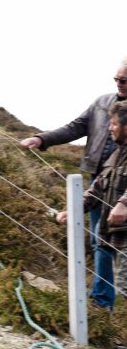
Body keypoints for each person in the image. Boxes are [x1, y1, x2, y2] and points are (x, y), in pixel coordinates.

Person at [20, 58, 127, 310]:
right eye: (116, 79)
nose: (119, 84)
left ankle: (116, 305)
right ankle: (103, 301)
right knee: (100, 240)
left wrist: (123, 202)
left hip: (121, 190)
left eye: (124, 80)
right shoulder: (103, 103)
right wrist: (42, 139)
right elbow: (75, 127)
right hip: (103, 180)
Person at [56, 100, 127, 301]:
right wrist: (73, 211)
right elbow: (97, 189)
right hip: (117, 236)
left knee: (125, 288)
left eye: (113, 124)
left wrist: (123, 204)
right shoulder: (116, 155)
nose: (109, 128)